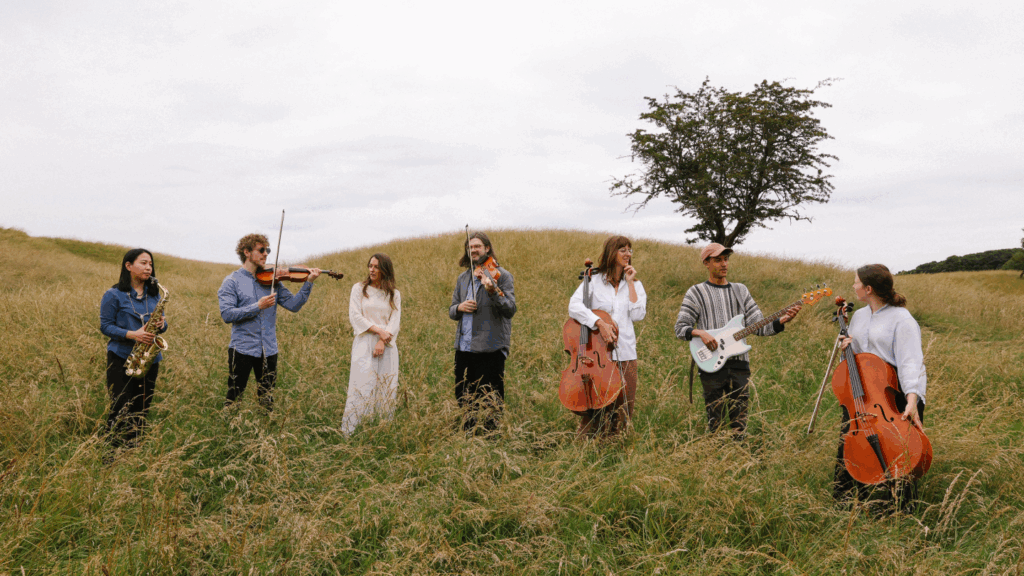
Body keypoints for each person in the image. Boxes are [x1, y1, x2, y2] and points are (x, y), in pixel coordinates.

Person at [674, 242, 801, 439]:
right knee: (715, 423)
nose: (724, 264)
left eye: (726, 259)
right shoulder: (696, 292)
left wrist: (779, 322)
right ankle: (716, 461)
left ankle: (738, 459)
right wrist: (701, 333)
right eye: (718, 260)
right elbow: (680, 328)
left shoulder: (740, 291)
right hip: (711, 366)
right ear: (706, 263)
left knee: (739, 424)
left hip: (740, 366)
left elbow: (758, 326)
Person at [834, 264, 928, 508]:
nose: (853, 286)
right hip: (863, 390)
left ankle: (899, 507)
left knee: (897, 448)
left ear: (868, 288)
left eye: (856, 282)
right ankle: (848, 501)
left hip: (893, 390)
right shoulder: (859, 316)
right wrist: (847, 349)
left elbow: (910, 363)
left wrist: (912, 400)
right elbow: (855, 359)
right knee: (852, 439)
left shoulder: (902, 319)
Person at [218, 233, 320, 411]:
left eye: (268, 250)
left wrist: (309, 282)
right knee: (234, 396)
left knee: (266, 399)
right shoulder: (231, 281)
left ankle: (266, 431)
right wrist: (257, 306)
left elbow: (294, 305)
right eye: (261, 250)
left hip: (269, 349)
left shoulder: (273, 281)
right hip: (242, 348)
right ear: (247, 252)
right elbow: (227, 314)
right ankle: (229, 431)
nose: (266, 254)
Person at [568, 235, 647, 438]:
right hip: (599, 354)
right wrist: (599, 322)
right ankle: (588, 447)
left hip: (625, 352)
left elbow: (638, 315)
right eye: (623, 250)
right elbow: (574, 306)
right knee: (596, 405)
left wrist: (630, 284)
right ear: (612, 253)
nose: (628, 254)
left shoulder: (635, 285)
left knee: (624, 406)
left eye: (630, 250)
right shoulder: (594, 281)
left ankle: (615, 447)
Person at [99, 248, 168, 450]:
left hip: (149, 359)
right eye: (143, 263)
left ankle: (132, 452)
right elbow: (105, 326)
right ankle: (110, 453)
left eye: (150, 264)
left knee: (142, 409)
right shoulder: (113, 295)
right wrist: (133, 334)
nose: (149, 268)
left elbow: (162, 325)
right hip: (121, 357)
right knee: (120, 408)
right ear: (128, 266)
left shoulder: (155, 295)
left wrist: (162, 324)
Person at [449, 231, 516, 433]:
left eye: (477, 246)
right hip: (464, 346)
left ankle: (491, 439)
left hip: (490, 348)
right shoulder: (463, 278)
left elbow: (510, 309)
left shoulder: (501, 276)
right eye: (470, 247)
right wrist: (459, 307)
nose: (473, 250)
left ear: (487, 248)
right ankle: (468, 434)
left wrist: (492, 291)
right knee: (463, 395)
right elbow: (452, 310)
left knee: (491, 397)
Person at [342, 253, 401, 435]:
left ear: (384, 269)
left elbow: (395, 320)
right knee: (361, 384)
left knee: (385, 386)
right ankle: (353, 431)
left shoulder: (394, 294)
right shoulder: (359, 289)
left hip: (388, 345)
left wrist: (383, 339)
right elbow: (355, 316)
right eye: (370, 266)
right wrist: (378, 332)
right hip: (364, 341)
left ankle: (381, 430)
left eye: (376, 266)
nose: (372, 270)